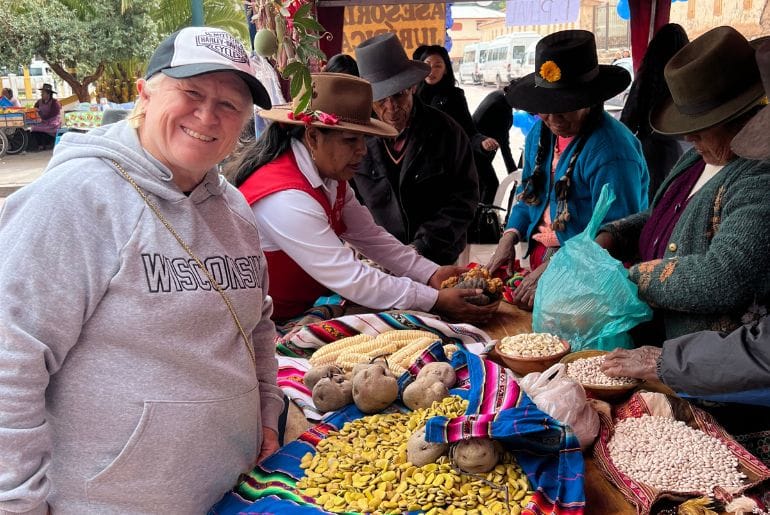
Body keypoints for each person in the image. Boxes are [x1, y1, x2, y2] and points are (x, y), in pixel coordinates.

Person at [0, 27, 285, 513]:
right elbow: (11, 357)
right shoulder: (75, 199)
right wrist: (16, 502)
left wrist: (266, 408)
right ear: (145, 94)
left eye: (229, 104)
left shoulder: (234, 209)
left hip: (230, 490)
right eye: (191, 93)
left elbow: (255, 324)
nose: (207, 115)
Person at [227, 72, 497, 325]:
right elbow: (351, 277)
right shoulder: (285, 197)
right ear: (313, 136)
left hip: (302, 308)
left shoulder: (331, 178)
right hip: (264, 323)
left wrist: (430, 273)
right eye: (350, 140)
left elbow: (371, 237)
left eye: (363, 139)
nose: (363, 151)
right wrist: (434, 299)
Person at [596, 26, 770, 342]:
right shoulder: (697, 158)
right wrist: (613, 236)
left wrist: (627, 277)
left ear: (741, 118)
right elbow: (665, 216)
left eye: (701, 128)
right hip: (657, 338)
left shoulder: (759, 176)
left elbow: (724, 275)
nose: (689, 137)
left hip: (706, 357)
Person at [486, 30, 649, 309]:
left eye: (564, 108)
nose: (553, 119)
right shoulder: (540, 134)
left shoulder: (613, 152)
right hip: (545, 261)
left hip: (592, 275)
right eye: (545, 109)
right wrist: (509, 235)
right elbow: (529, 193)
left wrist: (557, 265)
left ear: (589, 99)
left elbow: (616, 235)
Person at [352, 33, 480, 266]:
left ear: (411, 87)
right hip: (379, 258)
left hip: (437, 255)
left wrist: (421, 246)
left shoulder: (446, 132)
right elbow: (349, 199)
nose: (391, 107)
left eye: (398, 95)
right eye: (381, 99)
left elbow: (464, 199)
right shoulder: (357, 139)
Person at [413, 45, 501, 204]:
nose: (432, 70)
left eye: (438, 66)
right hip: (420, 163)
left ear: (446, 69)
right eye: (427, 65)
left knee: (489, 183)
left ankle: (481, 217)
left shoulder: (455, 96)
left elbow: (469, 130)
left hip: (449, 162)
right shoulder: (411, 97)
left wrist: (482, 142)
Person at [620, 23, 690, 203]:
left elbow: (626, 123)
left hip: (647, 150)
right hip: (675, 152)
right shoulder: (684, 82)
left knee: (650, 202)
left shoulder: (645, 80)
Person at [472, 87, 519, 177]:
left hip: (476, 142)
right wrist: (513, 174)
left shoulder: (499, 95)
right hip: (480, 147)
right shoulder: (502, 108)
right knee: (484, 180)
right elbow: (504, 146)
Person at [28, 83, 61, 151]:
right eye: (41, 93)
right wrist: (35, 111)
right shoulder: (39, 102)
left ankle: (46, 144)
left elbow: (52, 114)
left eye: (43, 93)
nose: (41, 94)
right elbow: (34, 109)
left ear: (48, 94)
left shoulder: (55, 103)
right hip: (43, 121)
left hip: (52, 122)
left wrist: (41, 117)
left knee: (42, 128)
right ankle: (40, 145)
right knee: (34, 128)